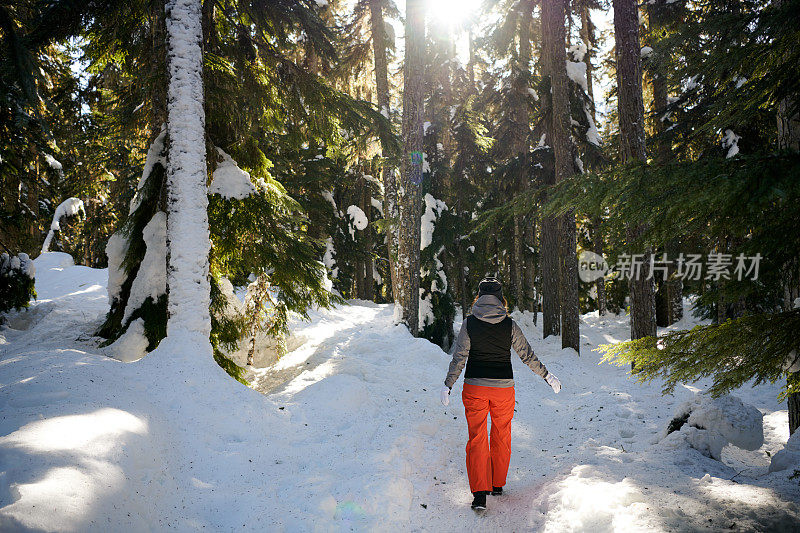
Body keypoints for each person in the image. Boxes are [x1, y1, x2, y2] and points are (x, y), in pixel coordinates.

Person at [440, 277, 561, 511]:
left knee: (477, 437)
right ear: (500, 298)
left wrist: (449, 384)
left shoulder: (469, 323)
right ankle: (496, 484)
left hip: (474, 387)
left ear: (479, 297)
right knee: (501, 435)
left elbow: (460, 356)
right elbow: (527, 355)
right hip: (503, 390)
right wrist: (547, 376)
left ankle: (479, 495)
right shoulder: (510, 325)